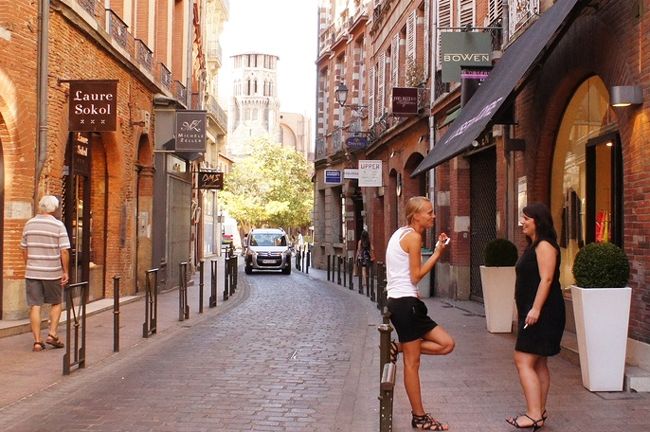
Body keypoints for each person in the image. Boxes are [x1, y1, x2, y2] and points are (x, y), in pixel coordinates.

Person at [385, 196, 454, 431]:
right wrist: (437, 253)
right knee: (412, 364)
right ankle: (419, 417)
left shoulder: (400, 233)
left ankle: (400, 346)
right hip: (406, 305)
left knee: (446, 344)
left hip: (403, 303)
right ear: (415, 216)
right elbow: (415, 276)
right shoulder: (413, 237)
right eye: (429, 212)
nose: (433, 216)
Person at [507, 202, 565, 431]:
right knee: (539, 362)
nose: (522, 222)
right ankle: (538, 411)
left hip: (543, 312)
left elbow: (547, 279)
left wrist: (536, 309)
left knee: (522, 360)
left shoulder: (545, 246)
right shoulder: (534, 246)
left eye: (526, 219)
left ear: (538, 222)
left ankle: (533, 414)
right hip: (534, 312)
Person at [20, 195, 71, 352]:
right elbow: (64, 251)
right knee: (56, 302)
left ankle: (37, 341)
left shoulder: (29, 224)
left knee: (35, 305)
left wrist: (28, 264)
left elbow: (23, 248)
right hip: (52, 272)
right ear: (54, 208)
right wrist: (66, 271)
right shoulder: (58, 225)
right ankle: (52, 334)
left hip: (33, 271)